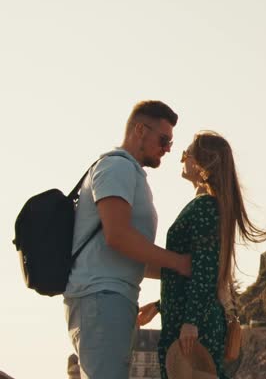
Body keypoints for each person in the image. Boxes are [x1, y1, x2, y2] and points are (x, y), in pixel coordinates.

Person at [64, 100, 192, 379]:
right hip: (101, 298)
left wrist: (189, 272)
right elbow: (118, 236)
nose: (168, 148)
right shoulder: (116, 168)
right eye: (164, 139)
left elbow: (132, 256)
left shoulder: (131, 173)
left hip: (113, 299)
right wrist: (179, 262)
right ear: (139, 130)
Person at [137, 131, 266, 378]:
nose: (181, 160)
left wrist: (191, 322)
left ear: (202, 164)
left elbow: (205, 270)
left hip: (192, 324)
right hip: (189, 317)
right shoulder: (209, 206)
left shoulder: (205, 208)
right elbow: (196, 270)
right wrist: (160, 305)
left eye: (185, 154)